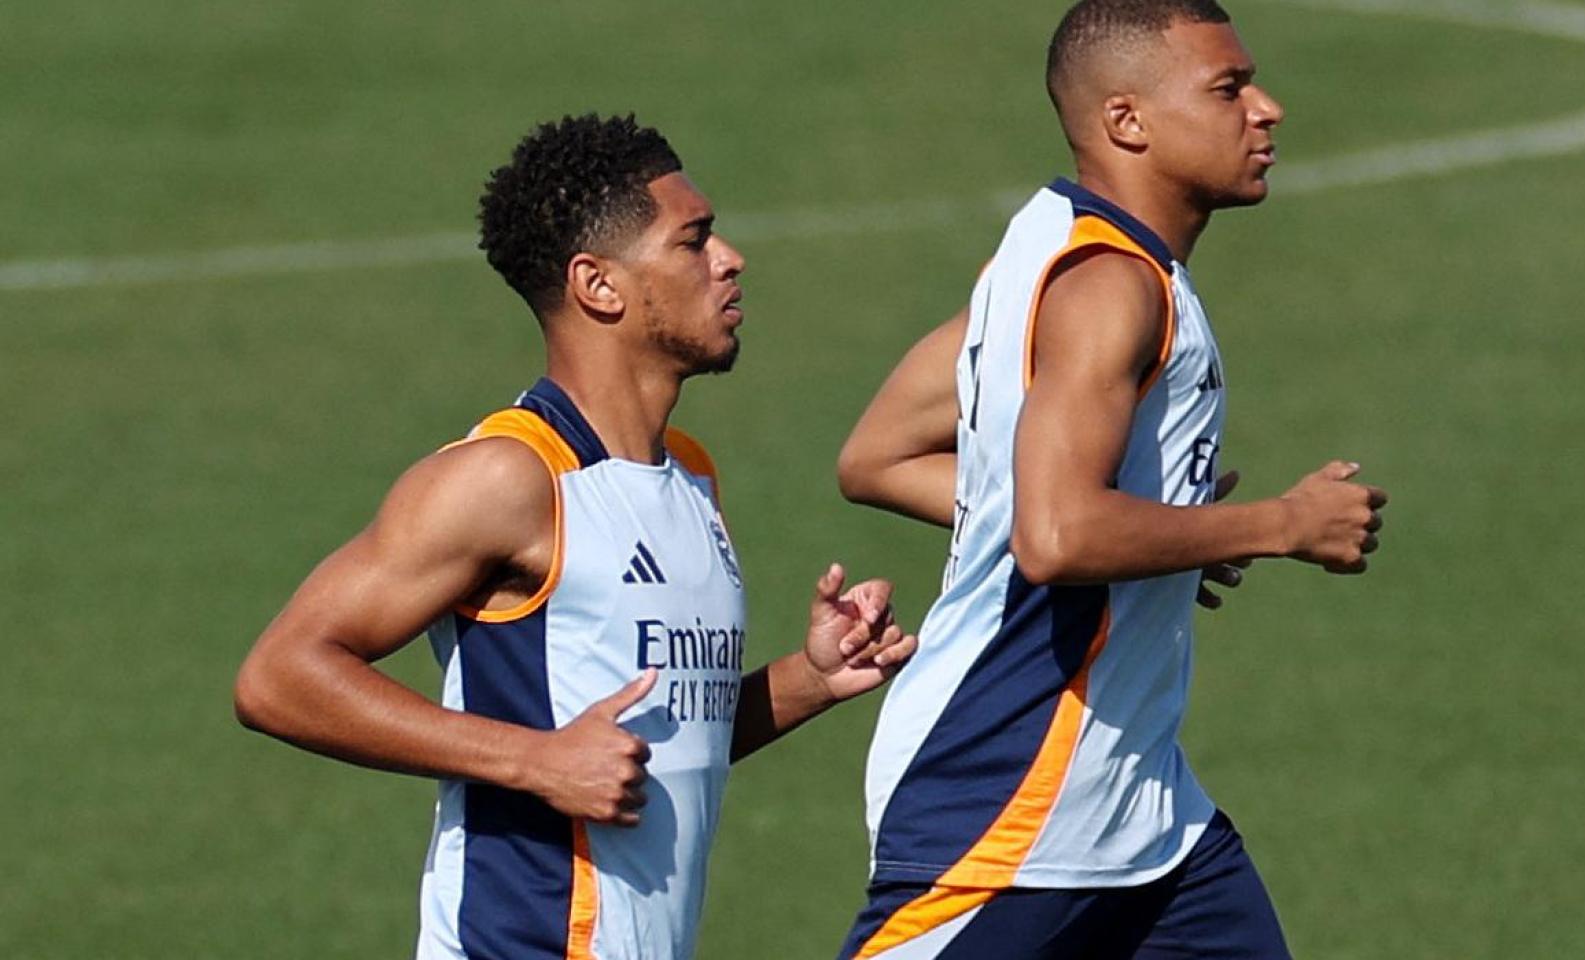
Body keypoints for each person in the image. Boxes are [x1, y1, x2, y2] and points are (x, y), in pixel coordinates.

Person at [233, 113, 917, 960]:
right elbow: (278, 677)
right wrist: (532, 761)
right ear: (598, 285)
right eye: (692, 241)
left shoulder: (692, 478)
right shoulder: (507, 480)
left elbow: (648, 750)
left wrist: (811, 680)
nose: (729, 259)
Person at [832, 2, 1387, 957]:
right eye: (1228, 89)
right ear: (1127, 121)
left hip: (1148, 825)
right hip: (1008, 810)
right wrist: (1274, 524)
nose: (1268, 109)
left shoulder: (1043, 249)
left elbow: (881, 454)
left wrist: (1155, 533)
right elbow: (1056, 536)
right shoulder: (1111, 290)